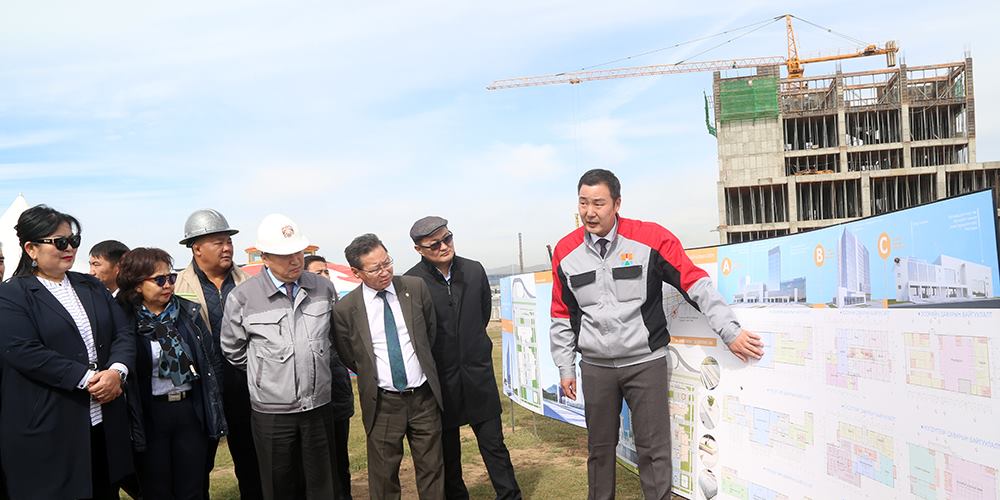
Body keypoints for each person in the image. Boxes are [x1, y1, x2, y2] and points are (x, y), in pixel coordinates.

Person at [550, 169, 765, 500]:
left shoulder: (651, 239)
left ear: (617, 204)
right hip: (595, 368)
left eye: (598, 203)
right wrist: (566, 367)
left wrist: (729, 331)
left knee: (654, 452)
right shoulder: (565, 252)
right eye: (583, 203)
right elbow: (561, 313)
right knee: (599, 451)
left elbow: (694, 283)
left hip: (645, 364)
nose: (589, 212)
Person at [0, 205, 135, 499]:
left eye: (74, 240)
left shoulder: (91, 286)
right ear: (31, 249)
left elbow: (123, 333)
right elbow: (24, 351)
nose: (70, 248)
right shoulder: (12, 294)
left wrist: (117, 371)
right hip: (53, 425)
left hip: (103, 423)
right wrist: (89, 379)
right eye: (60, 242)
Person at [221, 214, 340, 500]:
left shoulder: (323, 288)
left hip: (318, 407)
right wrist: (269, 375)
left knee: (323, 485)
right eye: (285, 255)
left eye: (298, 252)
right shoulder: (243, 297)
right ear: (265, 257)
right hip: (272, 413)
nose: (295, 260)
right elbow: (233, 349)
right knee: (279, 486)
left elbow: (334, 338)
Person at [404, 217, 521, 500]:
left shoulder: (474, 270)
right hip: (441, 383)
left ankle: (509, 495)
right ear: (419, 249)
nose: (444, 246)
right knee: (448, 455)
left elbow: (483, 314)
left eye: (448, 238)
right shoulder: (411, 282)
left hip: (478, 375)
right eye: (434, 244)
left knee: (494, 445)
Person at [333, 233, 444, 500]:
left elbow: (430, 334)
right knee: (383, 477)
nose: (385, 272)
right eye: (375, 269)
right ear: (356, 272)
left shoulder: (414, 288)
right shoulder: (346, 309)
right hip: (382, 403)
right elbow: (350, 355)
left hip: (423, 398)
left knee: (432, 470)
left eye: (387, 263)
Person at [117, 248, 227, 500]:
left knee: (193, 487)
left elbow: (211, 362)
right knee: (156, 488)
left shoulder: (187, 313)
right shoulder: (124, 321)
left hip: (190, 411)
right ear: (137, 285)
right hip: (150, 414)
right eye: (159, 280)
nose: (168, 285)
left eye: (171, 277)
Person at [174, 209, 262, 500]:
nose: (227, 248)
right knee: (198, 465)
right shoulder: (177, 287)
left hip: (245, 386)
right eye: (218, 242)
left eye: (229, 241)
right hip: (202, 390)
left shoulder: (250, 284)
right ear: (196, 247)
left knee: (252, 461)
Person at [303, 254, 355, 499]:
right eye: (318, 273)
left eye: (326, 272)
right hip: (308, 399)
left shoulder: (337, 306)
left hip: (337, 392)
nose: (324, 276)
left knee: (339, 457)